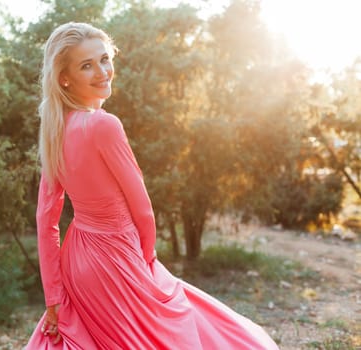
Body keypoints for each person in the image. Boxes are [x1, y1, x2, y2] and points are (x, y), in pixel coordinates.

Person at [25, 22, 279, 349]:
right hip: (118, 257)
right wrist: (146, 258)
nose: (103, 71)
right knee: (177, 330)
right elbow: (142, 207)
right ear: (65, 77)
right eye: (86, 65)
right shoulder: (104, 125)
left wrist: (54, 296)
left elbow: (46, 221)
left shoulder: (55, 129)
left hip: (77, 263)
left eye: (104, 59)